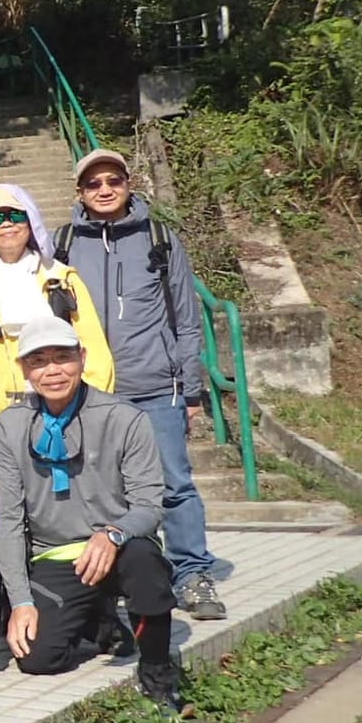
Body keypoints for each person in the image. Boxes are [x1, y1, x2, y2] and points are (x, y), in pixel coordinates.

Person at [57, 148, 224, 621]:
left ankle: (192, 573)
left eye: (113, 180)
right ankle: (121, 580)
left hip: (156, 385)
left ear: (129, 184)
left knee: (174, 484)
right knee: (100, 491)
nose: (105, 189)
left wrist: (190, 390)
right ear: (81, 192)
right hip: (91, 390)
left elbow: (187, 322)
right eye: (94, 183)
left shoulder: (159, 238)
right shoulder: (64, 242)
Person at [0, 318, 182, 712]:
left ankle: (159, 674)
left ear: (82, 358)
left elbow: (149, 504)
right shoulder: (9, 426)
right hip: (55, 553)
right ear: (25, 369)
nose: (53, 370)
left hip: (117, 545)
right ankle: (99, 619)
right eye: (39, 361)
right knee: (37, 658)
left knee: (146, 563)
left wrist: (113, 534)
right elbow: (8, 522)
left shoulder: (124, 418)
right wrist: (21, 601)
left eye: (63, 357)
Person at [0, 184, 113, 432]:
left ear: (31, 221)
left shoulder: (63, 278)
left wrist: (91, 405)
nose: (7, 224)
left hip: (71, 406)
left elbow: (92, 344)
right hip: (9, 413)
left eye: (16, 215)